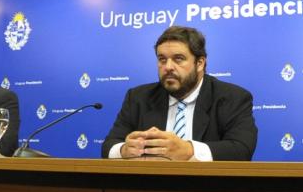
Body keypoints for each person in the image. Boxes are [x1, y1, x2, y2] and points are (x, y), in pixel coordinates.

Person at [102, 26, 257, 161]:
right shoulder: (138, 97)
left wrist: (188, 150)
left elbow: (241, 149)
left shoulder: (232, 98)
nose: (168, 67)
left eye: (178, 59)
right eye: (162, 59)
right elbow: (109, 146)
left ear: (200, 63)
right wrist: (124, 150)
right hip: (150, 189)